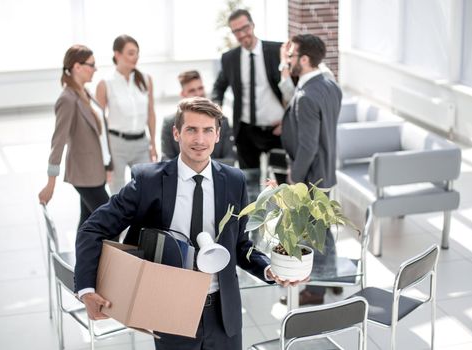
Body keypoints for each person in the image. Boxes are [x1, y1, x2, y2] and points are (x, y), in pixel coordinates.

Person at [75, 97, 297, 350]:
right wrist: (86, 288)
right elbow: (93, 228)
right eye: (191, 129)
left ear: (217, 135)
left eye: (207, 131)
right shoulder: (148, 181)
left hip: (224, 314)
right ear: (176, 133)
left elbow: (239, 245)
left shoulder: (234, 181)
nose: (200, 140)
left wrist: (269, 269)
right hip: (171, 310)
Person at [280, 34, 343, 305]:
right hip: (326, 171)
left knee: (314, 233)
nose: (289, 60)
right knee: (323, 229)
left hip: (310, 177)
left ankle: (315, 292)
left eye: (292, 56)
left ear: (304, 60)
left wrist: (295, 176)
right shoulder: (331, 84)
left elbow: (307, 146)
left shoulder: (306, 96)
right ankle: (332, 278)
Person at [38, 45, 112, 228]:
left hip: (96, 170)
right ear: (77, 67)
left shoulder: (85, 93)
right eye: (91, 64)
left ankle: (84, 256)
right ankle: (103, 257)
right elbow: (58, 142)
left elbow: (100, 135)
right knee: (112, 220)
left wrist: (108, 165)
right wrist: (51, 182)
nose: (95, 68)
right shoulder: (67, 99)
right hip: (84, 174)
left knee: (87, 221)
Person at [212, 9, 284, 172]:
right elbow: (219, 86)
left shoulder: (277, 51)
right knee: (249, 182)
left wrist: (288, 120)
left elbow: (293, 89)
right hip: (246, 131)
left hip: (277, 130)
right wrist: (216, 107)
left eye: (245, 28)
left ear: (253, 25)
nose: (243, 34)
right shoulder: (230, 58)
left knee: (282, 185)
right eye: (237, 31)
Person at [96, 34, 157, 194]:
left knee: (147, 187)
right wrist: (104, 154)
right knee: (117, 191)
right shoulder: (105, 83)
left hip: (141, 143)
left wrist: (153, 144)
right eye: (131, 53)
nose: (135, 57)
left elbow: (151, 113)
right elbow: (99, 122)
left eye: (137, 53)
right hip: (116, 145)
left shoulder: (146, 79)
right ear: (117, 54)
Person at [161, 70, 235, 164]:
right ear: (183, 95)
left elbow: (230, 160)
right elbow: (166, 160)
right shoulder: (169, 123)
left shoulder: (222, 121)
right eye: (192, 90)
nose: (198, 94)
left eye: (200, 88)